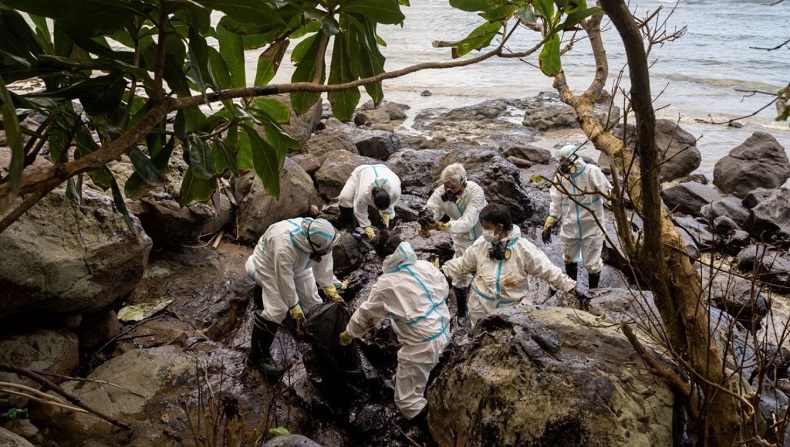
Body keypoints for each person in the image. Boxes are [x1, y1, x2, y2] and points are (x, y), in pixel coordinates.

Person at [338, 234, 451, 423]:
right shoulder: (425, 266)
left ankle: (432, 429)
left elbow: (367, 315)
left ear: (384, 259)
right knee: (425, 361)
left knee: (406, 401)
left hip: (422, 344)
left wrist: (348, 334)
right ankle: (426, 377)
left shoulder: (386, 284)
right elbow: (444, 289)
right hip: (443, 327)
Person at [442, 203, 585, 325]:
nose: (484, 231)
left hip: (511, 311)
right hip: (479, 306)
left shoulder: (523, 249)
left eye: (487, 227)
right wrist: (442, 272)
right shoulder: (481, 244)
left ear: (499, 227)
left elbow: (548, 270)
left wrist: (572, 287)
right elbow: (463, 264)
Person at [245, 217, 346, 376]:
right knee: (278, 309)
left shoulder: (321, 235)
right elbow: (284, 279)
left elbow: (324, 261)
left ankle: (322, 346)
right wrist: (294, 306)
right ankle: (257, 356)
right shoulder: (284, 245)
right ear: (312, 246)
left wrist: (329, 287)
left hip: (300, 266)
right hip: (269, 265)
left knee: (314, 305)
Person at [418, 163, 487, 327]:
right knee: (460, 275)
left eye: (452, 187)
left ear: (463, 183)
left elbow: (467, 223)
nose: (448, 190)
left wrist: (441, 226)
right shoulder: (441, 192)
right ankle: (462, 312)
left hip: (484, 237)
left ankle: (484, 305)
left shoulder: (475, 192)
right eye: (445, 186)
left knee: (486, 272)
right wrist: (426, 219)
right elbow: (432, 207)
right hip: (462, 240)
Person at [542, 145, 612, 290]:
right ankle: (571, 288)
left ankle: (593, 294)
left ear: (573, 158)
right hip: (570, 224)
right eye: (560, 161)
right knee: (569, 257)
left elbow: (608, 195)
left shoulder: (592, 172)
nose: (562, 164)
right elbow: (556, 199)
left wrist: (622, 215)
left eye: (564, 160)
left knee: (592, 263)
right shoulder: (561, 176)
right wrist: (551, 220)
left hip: (592, 225)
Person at [337, 164, 402, 240]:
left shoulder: (395, 191)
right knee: (344, 198)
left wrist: (387, 214)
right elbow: (359, 211)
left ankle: (387, 225)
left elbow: (390, 205)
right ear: (373, 199)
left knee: (387, 217)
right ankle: (349, 226)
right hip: (361, 172)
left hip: (383, 169)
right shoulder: (363, 193)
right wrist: (367, 227)